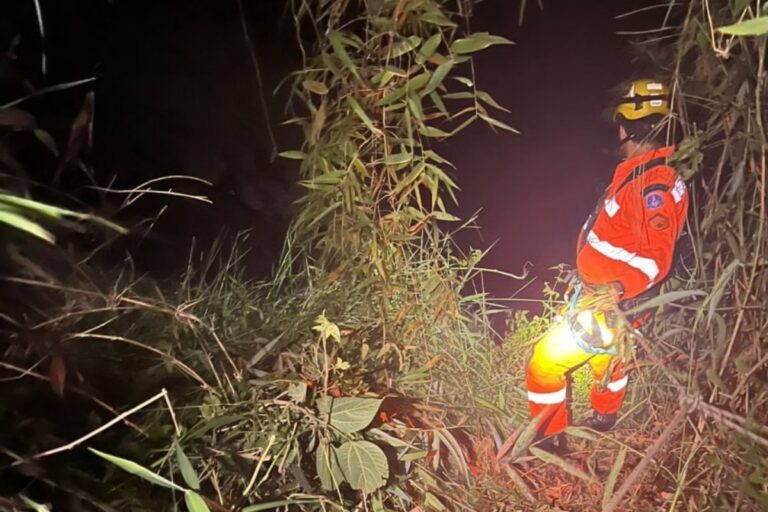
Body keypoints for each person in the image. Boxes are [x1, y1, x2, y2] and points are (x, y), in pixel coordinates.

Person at [525, 78, 689, 452]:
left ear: (628, 128)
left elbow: (657, 258)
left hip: (611, 303)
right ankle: (604, 418)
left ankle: (549, 443)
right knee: (609, 360)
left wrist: (616, 289)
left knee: (544, 365)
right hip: (614, 302)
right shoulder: (647, 171)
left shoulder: (654, 187)